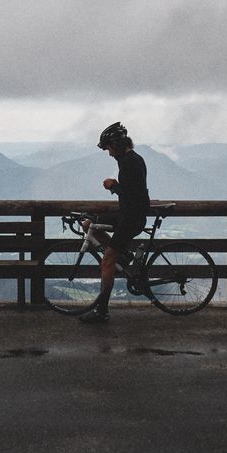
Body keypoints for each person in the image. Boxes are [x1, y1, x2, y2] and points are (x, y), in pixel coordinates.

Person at [79, 122, 150, 324]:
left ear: (116, 144)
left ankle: (102, 311)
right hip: (126, 214)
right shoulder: (130, 159)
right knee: (88, 225)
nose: (108, 152)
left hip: (131, 218)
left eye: (109, 147)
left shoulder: (130, 162)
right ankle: (124, 254)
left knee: (107, 261)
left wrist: (114, 185)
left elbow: (133, 194)